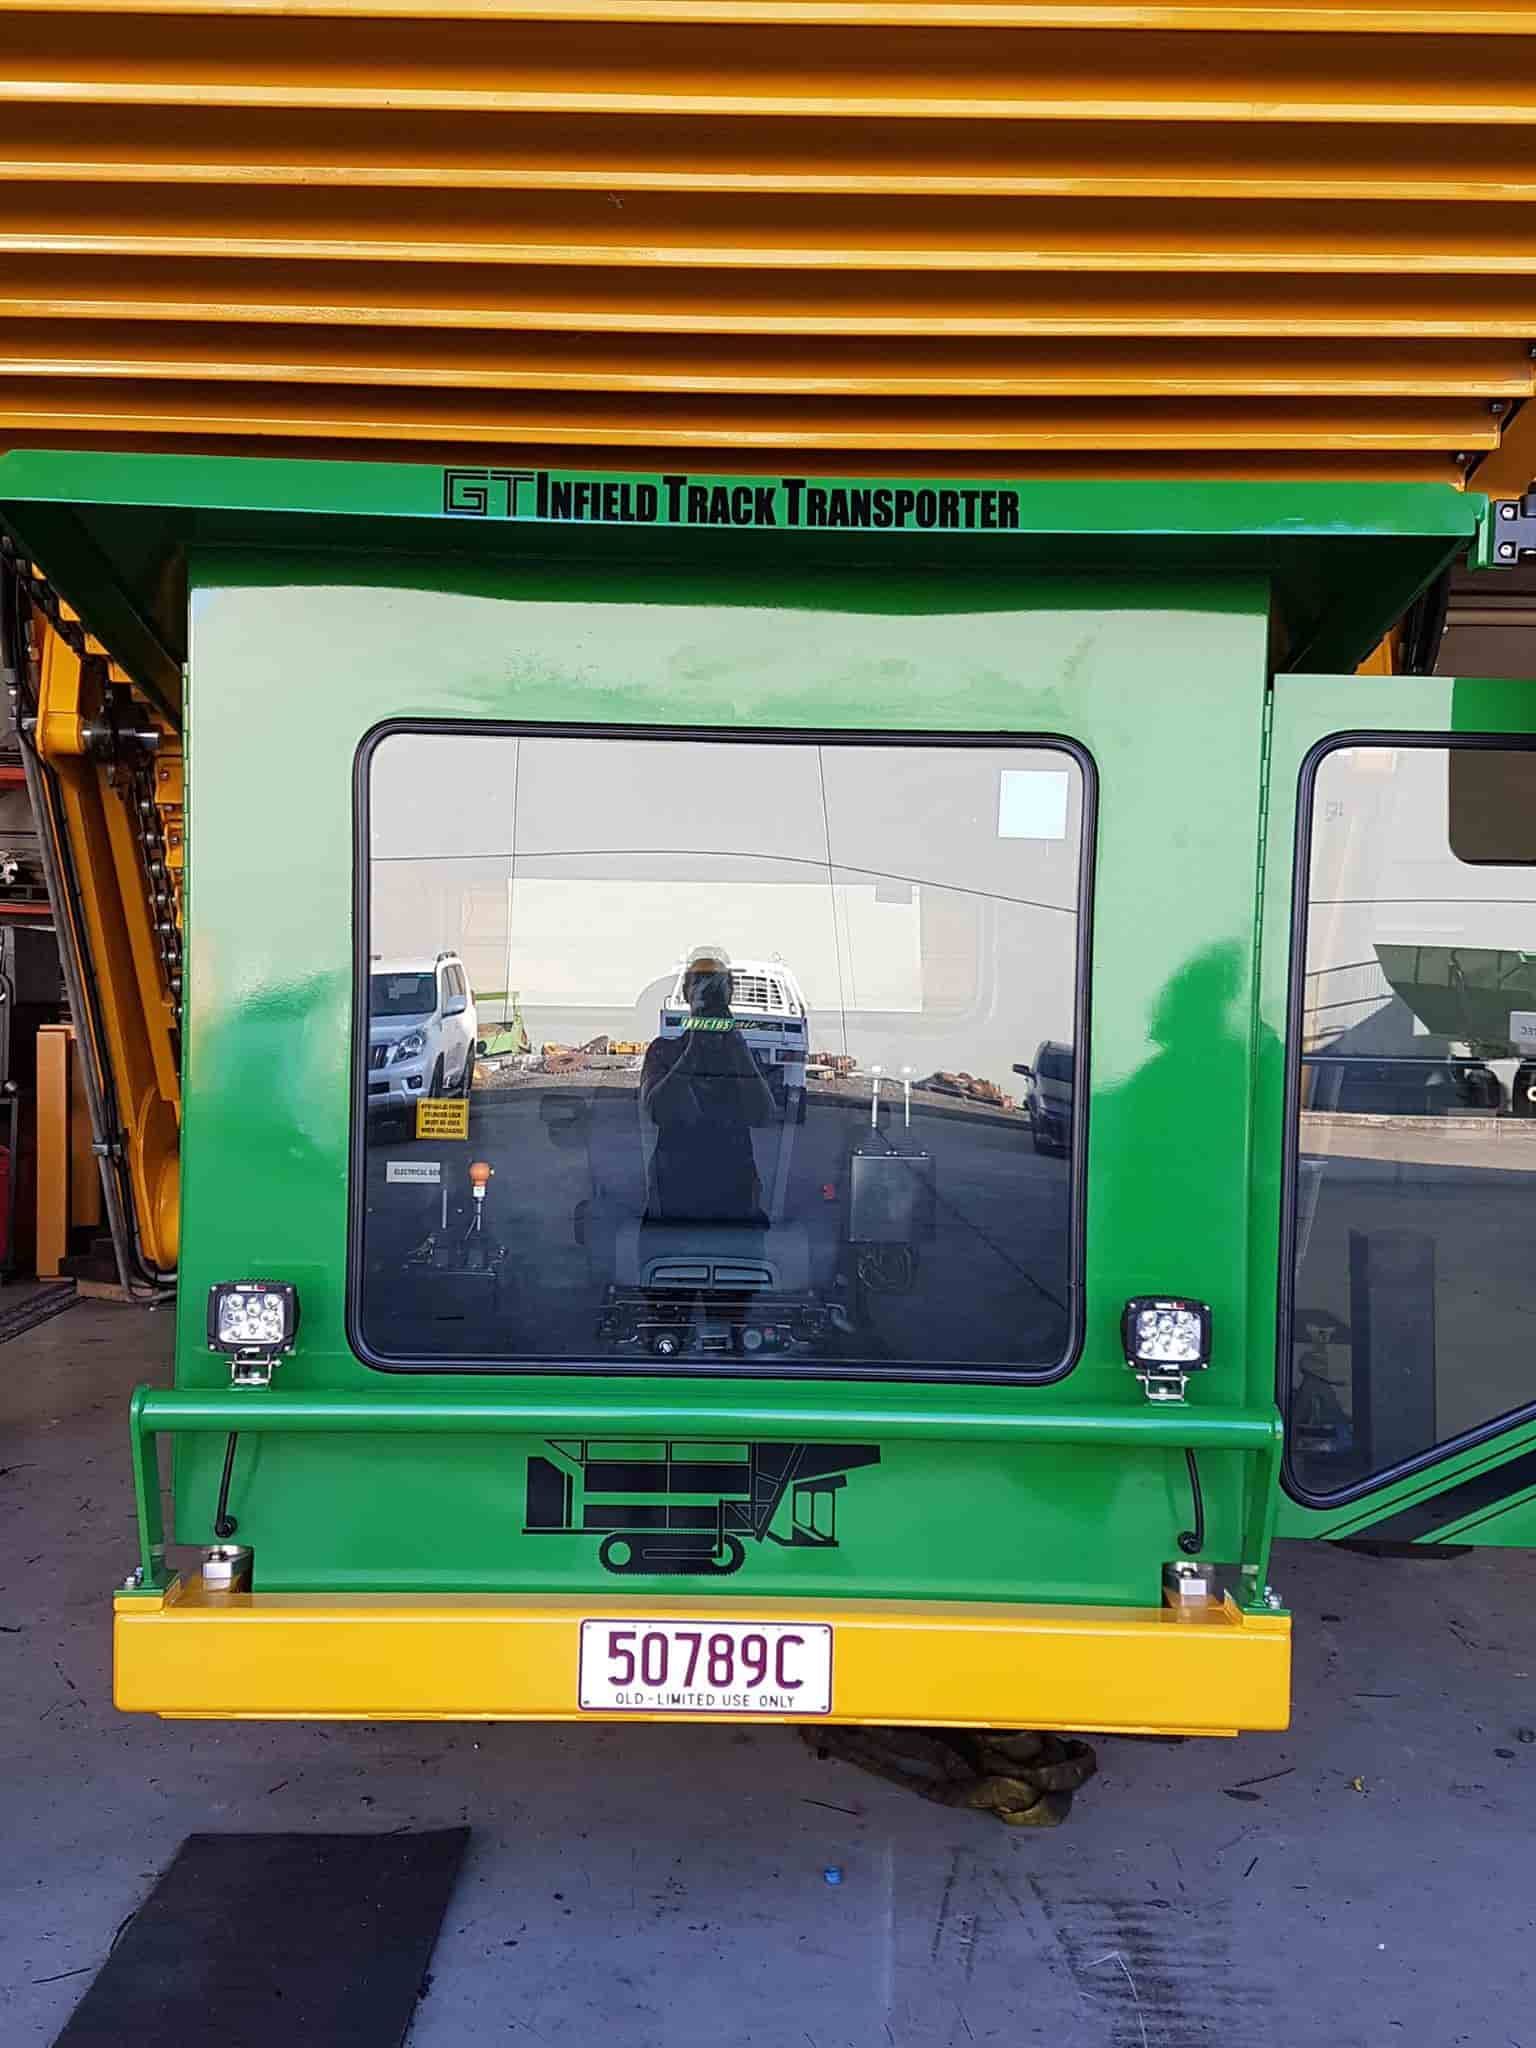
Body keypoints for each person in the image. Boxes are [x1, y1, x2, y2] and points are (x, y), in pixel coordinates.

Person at [640, 945, 778, 1225]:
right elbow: (656, 1110)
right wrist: (694, 1049)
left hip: (734, 1195)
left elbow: (764, 1114)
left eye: (717, 987)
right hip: (676, 1196)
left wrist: (735, 1041)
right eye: (700, 984)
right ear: (685, 994)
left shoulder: (741, 1057)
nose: (710, 994)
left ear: (730, 995)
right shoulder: (664, 1051)